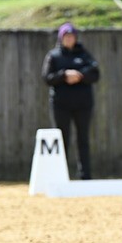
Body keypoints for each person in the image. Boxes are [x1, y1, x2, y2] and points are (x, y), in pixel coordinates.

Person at [42, 22, 100, 179]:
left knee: (83, 139)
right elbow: (47, 78)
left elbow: (95, 73)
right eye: (66, 36)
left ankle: (85, 176)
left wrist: (80, 75)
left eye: (71, 36)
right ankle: (60, 175)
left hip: (83, 104)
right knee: (62, 140)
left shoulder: (84, 55)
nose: (69, 39)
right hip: (61, 105)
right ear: (61, 38)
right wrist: (64, 75)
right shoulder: (53, 56)